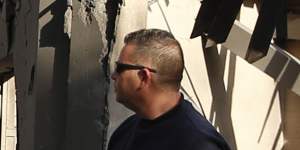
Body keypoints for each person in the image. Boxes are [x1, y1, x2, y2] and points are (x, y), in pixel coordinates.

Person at [109, 29, 231, 150]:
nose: (113, 75)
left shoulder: (199, 143)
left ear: (144, 77)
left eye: (119, 68)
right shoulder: (125, 133)